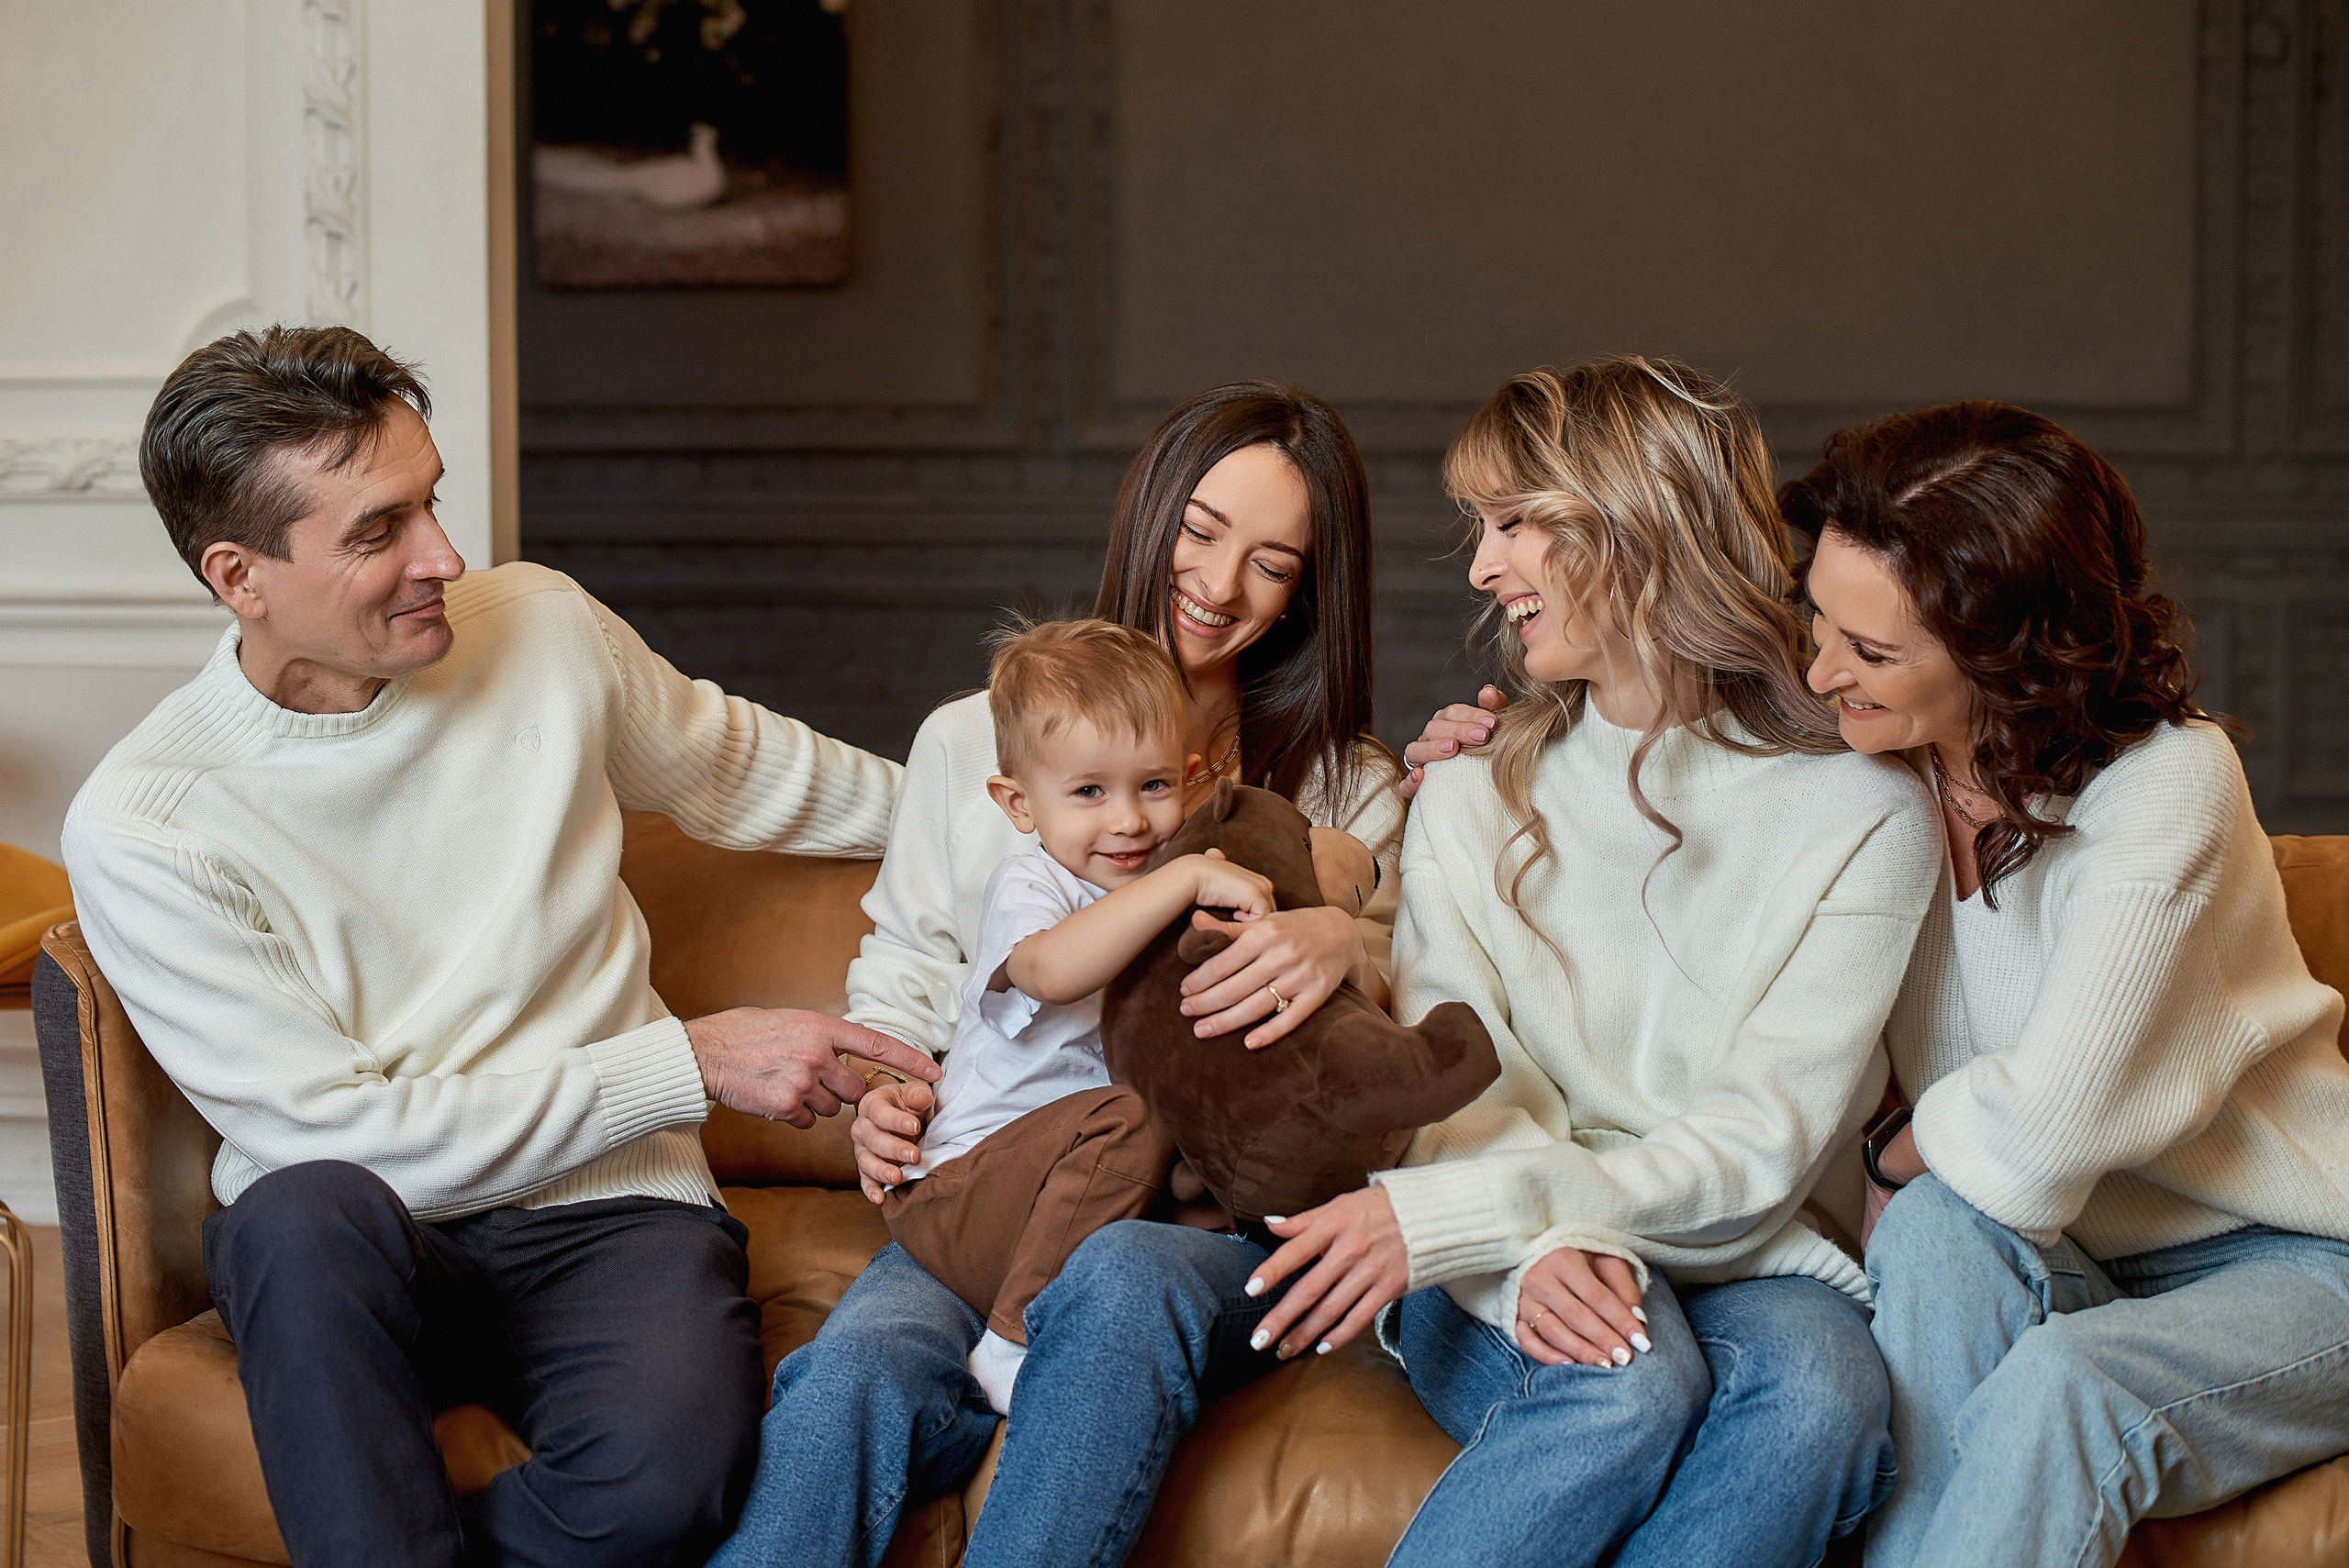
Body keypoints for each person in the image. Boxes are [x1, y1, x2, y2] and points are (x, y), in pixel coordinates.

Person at [61, 326, 938, 1568]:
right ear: (239, 576)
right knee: (294, 1213)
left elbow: (746, 773)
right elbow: (340, 1139)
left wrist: (1023, 816)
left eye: (430, 501)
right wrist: (682, 1064)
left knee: (661, 1495)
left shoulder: (540, 628)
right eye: (378, 532)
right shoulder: (149, 822)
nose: (445, 557)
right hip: (371, 1242)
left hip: (612, 1212)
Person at [1248, 358, 1943, 1567]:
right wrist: (1529, 1240)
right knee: (1628, 1386)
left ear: (1639, 524)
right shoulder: (1466, 790)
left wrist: (1510, 1205)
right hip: (1504, 1232)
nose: (1481, 568)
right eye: (1481, 527)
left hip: (1748, 1236)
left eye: (1516, 522)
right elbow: (1460, 1078)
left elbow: (1766, 1136)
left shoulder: (1868, 810)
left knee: (1827, 1403)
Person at [715, 381, 1402, 1568]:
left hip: (1198, 1220)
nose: (1221, 584)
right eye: (1199, 532)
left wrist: (1342, 910)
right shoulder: (969, 740)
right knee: (850, 1382)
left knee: (1124, 1277)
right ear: (1147, 516)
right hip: (1002, 1179)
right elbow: (913, 969)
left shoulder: (1349, 789)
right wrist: (887, 1088)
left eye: (1273, 563)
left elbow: (1391, 1007)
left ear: (1309, 593)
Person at [1785, 402, 2349, 1568]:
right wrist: (1485, 759)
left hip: (2294, 1256)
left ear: (2006, 655)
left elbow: (2041, 1137)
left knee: (2066, 1382)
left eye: (1871, 651)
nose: (1820, 669)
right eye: (1818, 620)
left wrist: (1893, 1148)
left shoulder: (2168, 782)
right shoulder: (1869, 768)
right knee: (1941, 1227)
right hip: (2061, 1245)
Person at [879, 617, 1284, 1415]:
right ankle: (1011, 1342)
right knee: (1130, 1116)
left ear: (1194, 779)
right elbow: (1052, 969)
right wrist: (1183, 878)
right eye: (1090, 791)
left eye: (1155, 786)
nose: (1129, 820)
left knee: (1190, 1159)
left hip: (1064, 1202)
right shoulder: (1032, 886)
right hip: (960, 1194)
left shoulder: (1170, 893)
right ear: (1018, 804)